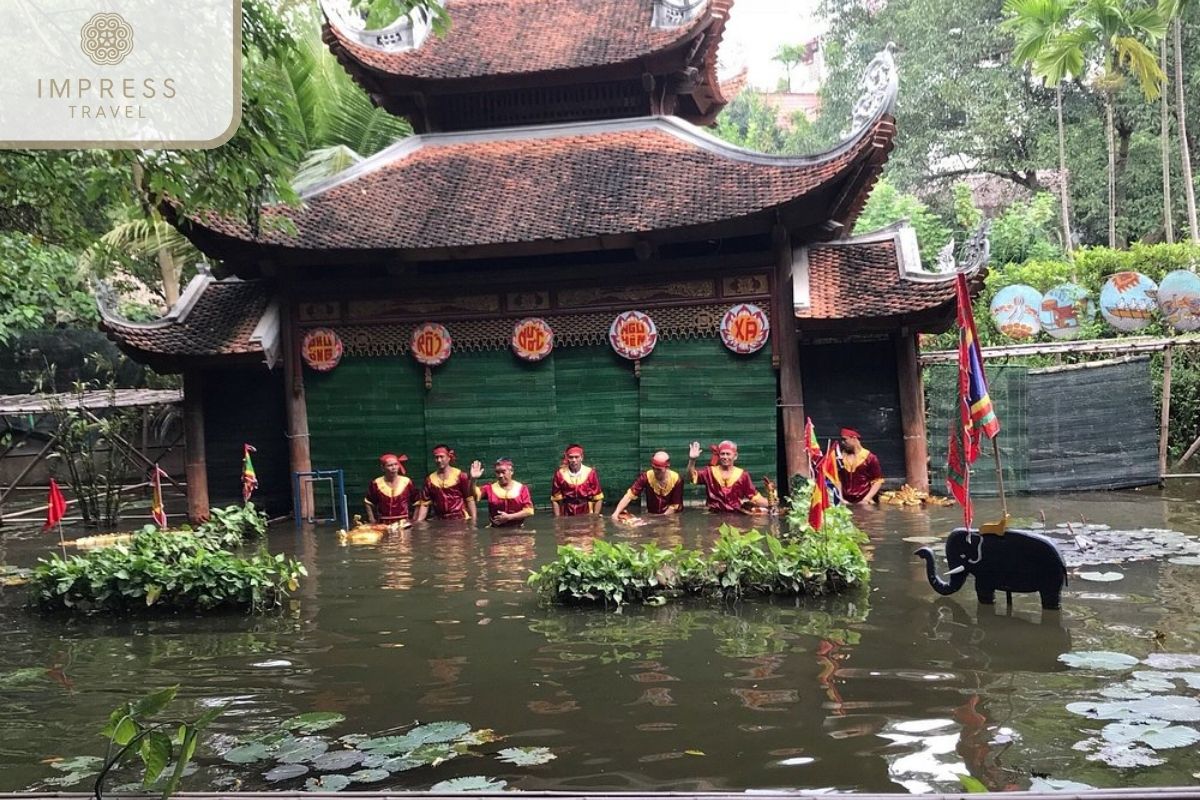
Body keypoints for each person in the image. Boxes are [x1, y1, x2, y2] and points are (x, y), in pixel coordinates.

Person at [686, 439, 769, 513]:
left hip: (736, 515)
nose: (725, 457)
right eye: (722, 454)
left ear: (735, 456)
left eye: (728, 454)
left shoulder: (743, 475)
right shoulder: (709, 472)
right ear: (719, 456)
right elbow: (691, 477)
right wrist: (692, 460)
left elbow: (755, 497)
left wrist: (771, 503)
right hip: (714, 515)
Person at [610, 451, 683, 518]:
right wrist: (616, 513)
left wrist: (659, 519)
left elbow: (674, 506)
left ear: (667, 467)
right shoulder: (646, 477)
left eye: (659, 469)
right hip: (652, 514)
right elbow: (629, 495)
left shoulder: (676, 479)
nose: (655, 471)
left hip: (671, 517)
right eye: (653, 468)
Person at [415, 445, 477, 521]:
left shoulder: (460, 476)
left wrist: (474, 520)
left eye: (441, 457)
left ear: (449, 457)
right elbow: (424, 504)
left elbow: (469, 499)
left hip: (460, 519)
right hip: (440, 520)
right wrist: (419, 522)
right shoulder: (430, 480)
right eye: (436, 457)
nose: (439, 460)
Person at [473, 457, 535, 527]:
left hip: (517, 528)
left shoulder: (522, 489)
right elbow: (473, 496)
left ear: (511, 471)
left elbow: (529, 511)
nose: (500, 475)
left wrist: (509, 517)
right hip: (496, 529)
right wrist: (473, 479)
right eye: (497, 472)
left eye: (503, 472)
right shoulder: (489, 488)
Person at [550, 444, 603, 516]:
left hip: (586, 510)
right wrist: (558, 519)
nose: (574, 460)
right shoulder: (560, 474)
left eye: (576, 457)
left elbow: (598, 497)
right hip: (567, 511)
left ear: (582, 457)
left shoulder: (590, 473)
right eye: (571, 457)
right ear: (567, 458)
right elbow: (555, 499)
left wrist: (595, 516)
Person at [364, 453, 416, 523]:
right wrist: (372, 520)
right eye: (390, 465)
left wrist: (414, 520)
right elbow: (368, 502)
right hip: (383, 524)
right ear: (383, 468)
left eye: (396, 464)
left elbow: (418, 501)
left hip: (403, 523)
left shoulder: (406, 482)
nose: (394, 467)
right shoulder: (376, 483)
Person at [837, 428, 884, 505]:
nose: (842, 442)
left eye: (845, 439)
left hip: (864, 499)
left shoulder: (870, 458)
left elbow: (877, 481)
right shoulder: (840, 457)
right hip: (845, 501)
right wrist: (840, 498)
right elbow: (837, 479)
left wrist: (866, 499)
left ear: (854, 438)